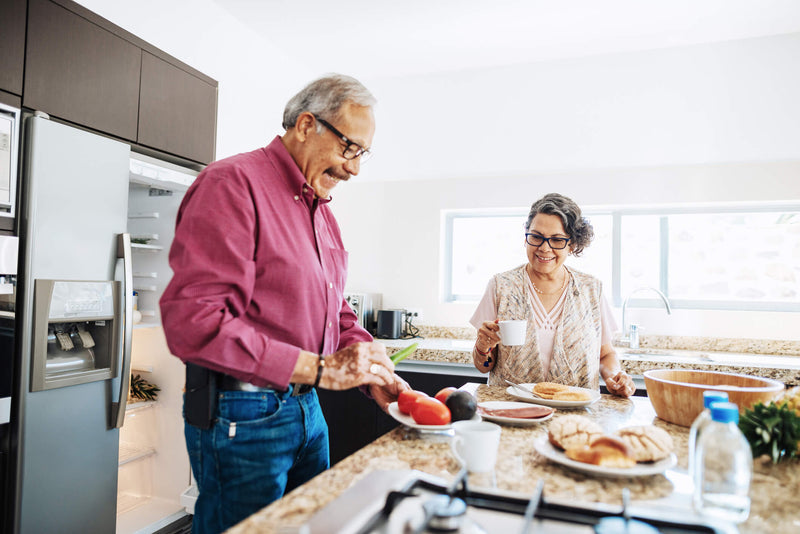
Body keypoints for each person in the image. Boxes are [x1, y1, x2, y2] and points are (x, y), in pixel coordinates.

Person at [160, 74, 408, 534]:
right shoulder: (232, 184)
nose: (354, 169)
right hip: (242, 412)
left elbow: (336, 313)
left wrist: (374, 371)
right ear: (307, 125)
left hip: (308, 410)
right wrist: (320, 369)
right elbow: (195, 322)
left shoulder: (323, 212)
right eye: (350, 148)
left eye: (362, 154)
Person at [469, 192, 635, 397]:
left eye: (557, 240)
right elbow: (484, 366)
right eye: (536, 237)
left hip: (575, 412)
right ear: (526, 236)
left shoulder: (591, 289)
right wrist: (483, 347)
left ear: (572, 244)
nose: (544, 248)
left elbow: (606, 355)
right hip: (511, 409)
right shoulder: (501, 286)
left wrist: (615, 375)